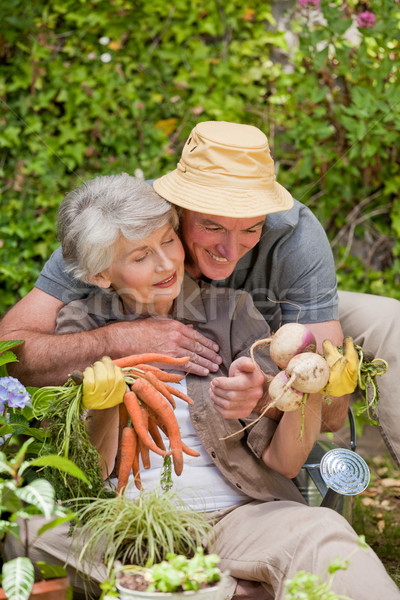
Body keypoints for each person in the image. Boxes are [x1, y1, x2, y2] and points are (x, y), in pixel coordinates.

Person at [6, 173, 399, 600]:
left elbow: (285, 463)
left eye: (168, 241)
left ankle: (174, 588)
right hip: (124, 526)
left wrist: (302, 392)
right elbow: (91, 477)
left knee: (322, 532)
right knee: (28, 534)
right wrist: (104, 406)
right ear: (101, 274)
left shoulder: (233, 313)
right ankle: (225, 589)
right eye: (141, 256)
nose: (165, 264)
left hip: (237, 519)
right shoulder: (76, 331)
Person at [0, 121, 399, 466]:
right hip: (156, 333)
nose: (229, 250)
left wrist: (267, 392)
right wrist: (124, 339)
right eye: (212, 227)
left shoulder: (294, 234)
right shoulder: (124, 224)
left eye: (250, 229)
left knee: (389, 323)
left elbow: (328, 412)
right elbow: (10, 350)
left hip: (278, 324)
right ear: (176, 208)